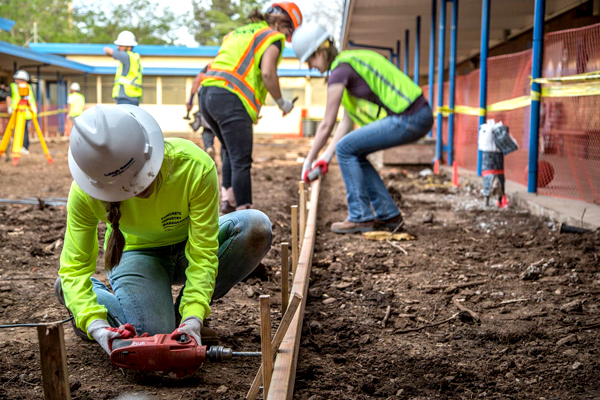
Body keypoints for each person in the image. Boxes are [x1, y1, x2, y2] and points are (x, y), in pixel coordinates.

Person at [54, 105, 272, 356]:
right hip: (139, 256)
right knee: (152, 335)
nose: (140, 190)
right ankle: (82, 296)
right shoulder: (84, 193)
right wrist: (95, 323)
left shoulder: (193, 166)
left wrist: (192, 317)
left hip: (188, 246)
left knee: (255, 227)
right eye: (128, 187)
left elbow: (203, 252)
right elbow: (74, 267)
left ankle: (181, 319)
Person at [293, 23, 434, 234]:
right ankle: (388, 215)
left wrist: (308, 161)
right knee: (351, 150)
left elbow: (326, 123)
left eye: (310, 59)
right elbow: (345, 123)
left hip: (410, 116)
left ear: (321, 51)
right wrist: (325, 158)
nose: (310, 66)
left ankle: (360, 216)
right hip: (415, 115)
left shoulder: (340, 71)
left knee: (346, 149)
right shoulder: (348, 67)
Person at [200, 2, 302, 214]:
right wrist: (282, 102)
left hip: (207, 95)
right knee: (241, 159)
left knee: (229, 150)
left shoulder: (236, 33)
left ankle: (229, 202)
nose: (286, 36)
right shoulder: (272, 37)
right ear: (283, 23)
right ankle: (246, 214)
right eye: (288, 31)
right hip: (231, 97)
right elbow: (267, 73)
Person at [104, 31, 143, 106]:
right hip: (131, 97)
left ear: (129, 47)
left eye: (121, 46)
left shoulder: (126, 56)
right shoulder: (133, 57)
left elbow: (107, 50)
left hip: (126, 97)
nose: (118, 48)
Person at [187, 64, 218, 160]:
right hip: (221, 97)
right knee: (221, 128)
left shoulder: (209, 66)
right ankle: (224, 153)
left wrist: (190, 101)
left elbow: (196, 82)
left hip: (206, 96)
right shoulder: (228, 66)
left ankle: (208, 146)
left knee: (207, 127)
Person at [6, 70, 37, 154]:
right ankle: (16, 146)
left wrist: (34, 108)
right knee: (16, 130)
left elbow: (31, 99)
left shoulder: (28, 87)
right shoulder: (13, 86)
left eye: (18, 79)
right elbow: (8, 97)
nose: (16, 80)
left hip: (26, 112)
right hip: (16, 111)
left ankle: (24, 146)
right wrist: (9, 107)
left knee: (24, 130)